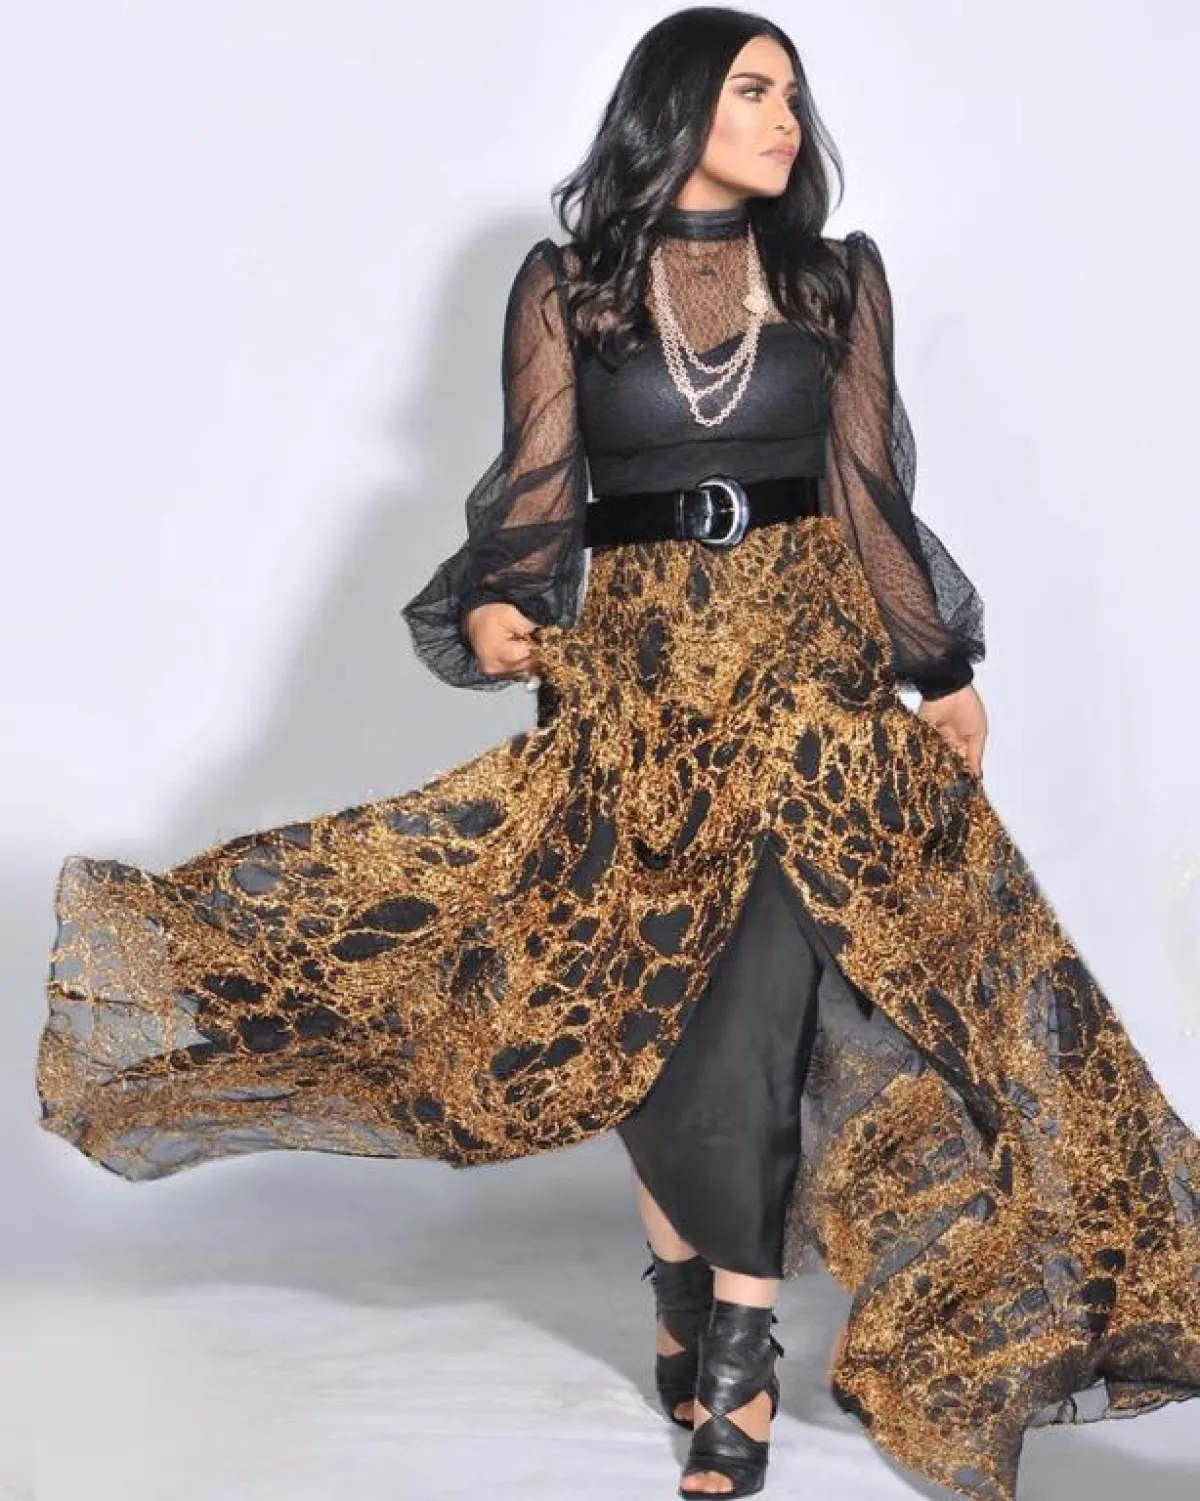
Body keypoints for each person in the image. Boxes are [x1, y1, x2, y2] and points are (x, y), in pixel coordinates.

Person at [34, 7, 1199, 1500]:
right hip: (638, 688)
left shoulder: (835, 279)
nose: (786, 120)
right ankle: (683, 1284)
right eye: (754, 91)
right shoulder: (567, 285)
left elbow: (866, 486)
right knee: (645, 1001)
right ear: (677, 106)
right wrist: (503, 604)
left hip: (805, 670)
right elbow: (539, 486)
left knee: (769, 987)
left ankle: (740, 1359)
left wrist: (939, 670)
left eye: (794, 96)